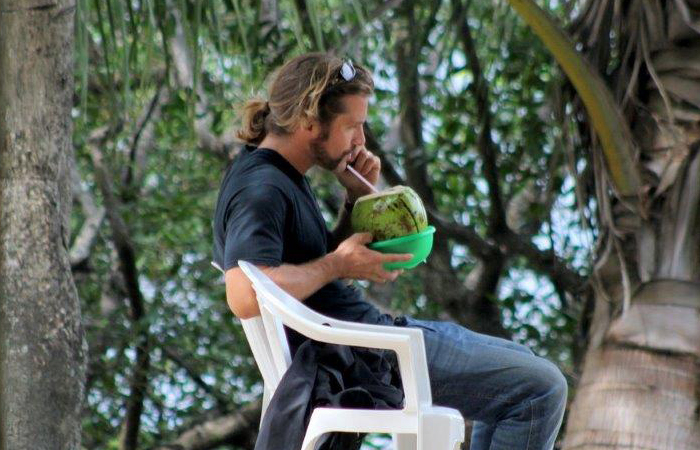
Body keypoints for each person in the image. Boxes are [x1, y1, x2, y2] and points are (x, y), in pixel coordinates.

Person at [212, 53, 567, 450]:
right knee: (540, 388)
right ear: (308, 120)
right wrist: (337, 265)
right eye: (353, 127)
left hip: (365, 342)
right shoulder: (262, 188)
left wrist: (353, 200)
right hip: (364, 356)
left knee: (527, 364)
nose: (361, 141)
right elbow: (245, 294)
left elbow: (305, 267)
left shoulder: (280, 175)